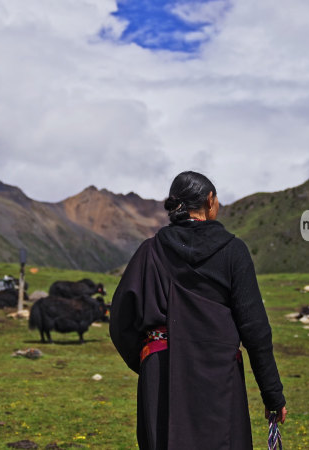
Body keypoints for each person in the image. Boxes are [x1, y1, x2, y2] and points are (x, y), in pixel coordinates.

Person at [109, 171, 287, 450]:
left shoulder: (150, 251)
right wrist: (272, 394)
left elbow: (121, 321)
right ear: (209, 200)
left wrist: (149, 360)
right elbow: (255, 330)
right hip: (218, 372)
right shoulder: (233, 251)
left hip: (161, 372)